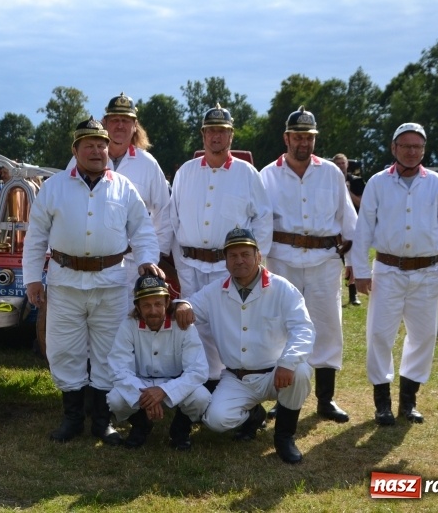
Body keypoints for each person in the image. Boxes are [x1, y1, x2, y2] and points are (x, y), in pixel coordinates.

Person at [23, 116, 162, 446]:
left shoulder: (124, 188)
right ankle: (72, 418)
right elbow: (36, 236)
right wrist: (32, 279)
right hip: (64, 283)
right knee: (65, 350)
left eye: (102, 145)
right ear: (76, 150)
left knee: (107, 352)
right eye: (90, 145)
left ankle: (102, 421)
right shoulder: (54, 187)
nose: (98, 151)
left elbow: (143, 230)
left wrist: (147, 262)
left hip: (111, 283)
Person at [353, 122, 438, 426]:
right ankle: (382, 403)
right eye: (405, 146)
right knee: (380, 334)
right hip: (388, 270)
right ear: (394, 148)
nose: (411, 151)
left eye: (417, 146)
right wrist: (361, 270)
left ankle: (409, 401)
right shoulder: (378, 183)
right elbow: (363, 229)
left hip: (427, 271)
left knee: (423, 335)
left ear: (424, 150)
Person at [174, 227, 314, 464]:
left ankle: (284, 438)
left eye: (245, 254)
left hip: (275, 374)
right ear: (225, 261)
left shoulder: (282, 288)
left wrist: (287, 362)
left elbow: (303, 329)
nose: (239, 260)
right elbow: (188, 305)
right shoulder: (215, 292)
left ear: (258, 256)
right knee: (216, 421)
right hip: (237, 378)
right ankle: (253, 415)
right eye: (233, 255)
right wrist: (182, 305)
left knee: (300, 371)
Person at [260, 107, 357, 424]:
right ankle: (282, 396)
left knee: (327, 326)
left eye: (309, 137)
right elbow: (260, 223)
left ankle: (325, 400)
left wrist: (354, 263)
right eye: (298, 136)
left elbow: (349, 220)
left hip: (323, 261)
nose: (303, 142)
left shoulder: (330, 172)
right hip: (282, 260)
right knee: (280, 328)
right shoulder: (267, 175)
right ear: (286, 138)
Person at [169, 103, 272, 389]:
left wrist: (255, 262)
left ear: (231, 136)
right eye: (211, 131)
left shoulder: (247, 173)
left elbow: (263, 218)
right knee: (193, 326)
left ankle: (239, 388)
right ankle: (203, 385)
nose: (216, 136)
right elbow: (173, 218)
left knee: (231, 326)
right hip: (190, 263)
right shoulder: (185, 173)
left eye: (222, 131)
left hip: (228, 266)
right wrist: (176, 260)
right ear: (203, 135)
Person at [67, 93, 172, 299]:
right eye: (115, 120)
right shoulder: (82, 159)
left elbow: (164, 212)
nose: (120, 126)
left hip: (134, 265)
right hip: (92, 263)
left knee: (128, 325)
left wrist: (153, 256)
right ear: (105, 122)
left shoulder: (148, 164)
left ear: (135, 125)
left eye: (126, 120)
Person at [107, 274, 211, 450]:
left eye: (158, 304)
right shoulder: (128, 325)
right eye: (146, 305)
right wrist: (148, 396)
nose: (153, 310)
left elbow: (198, 370)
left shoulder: (182, 325)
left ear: (167, 303)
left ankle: (180, 429)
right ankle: (141, 424)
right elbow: (118, 368)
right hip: (141, 383)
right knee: (115, 400)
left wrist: (164, 391)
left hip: (174, 381)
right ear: (137, 307)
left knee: (201, 398)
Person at [332, 153, 364, 306]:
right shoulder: (329, 180)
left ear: (347, 165)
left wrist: (347, 192)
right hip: (334, 228)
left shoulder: (356, 181)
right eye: (337, 163)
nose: (340, 166)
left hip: (352, 225)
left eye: (342, 163)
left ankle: (353, 294)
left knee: (350, 260)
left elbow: (361, 204)